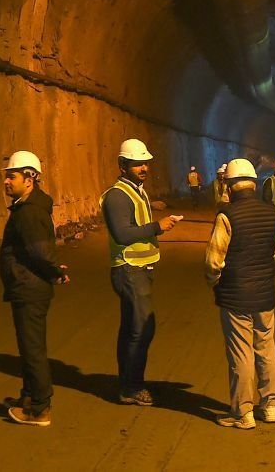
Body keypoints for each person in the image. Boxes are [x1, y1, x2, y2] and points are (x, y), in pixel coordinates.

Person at [100, 138, 181, 406]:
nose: (143, 167)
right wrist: (158, 227)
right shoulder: (117, 195)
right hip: (129, 270)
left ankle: (127, 382)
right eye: (137, 164)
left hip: (140, 269)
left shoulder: (138, 191)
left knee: (132, 328)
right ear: (123, 165)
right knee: (141, 328)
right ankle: (132, 386)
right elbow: (122, 233)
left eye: (145, 163)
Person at [205, 159, 275, 430]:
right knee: (266, 348)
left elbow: (214, 261)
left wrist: (214, 282)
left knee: (241, 353)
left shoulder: (227, 216)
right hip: (264, 294)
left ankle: (243, 413)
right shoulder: (272, 214)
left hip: (235, 295)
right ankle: (270, 405)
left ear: (229, 185)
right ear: (254, 182)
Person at [0, 150, 69, 426]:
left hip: (29, 287)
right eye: (6, 176)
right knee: (28, 347)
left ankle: (40, 408)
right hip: (28, 285)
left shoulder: (28, 213)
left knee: (32, 349)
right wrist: (54, 271)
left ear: (29, 179)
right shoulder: (29, 207)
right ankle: (28, 397)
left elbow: (38, 251)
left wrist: (53, 272)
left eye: (11, 176)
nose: (6, 181)